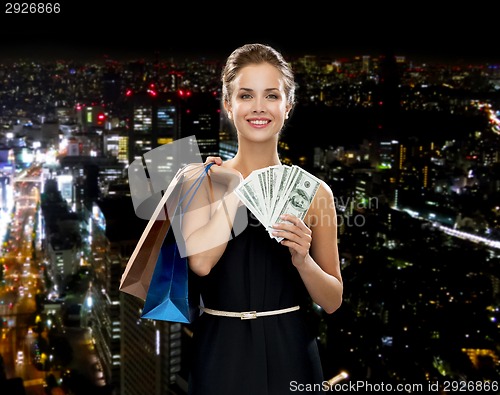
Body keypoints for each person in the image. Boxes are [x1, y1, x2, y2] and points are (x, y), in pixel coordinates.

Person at [181, 43, 343, 395]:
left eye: (271, 95)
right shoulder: (199, 180)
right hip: (220, 351)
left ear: (288, 105)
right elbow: (201, 264)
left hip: (294, 351)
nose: (258, 107)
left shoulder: (316, 193)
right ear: (228, 104)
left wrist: (303, 260)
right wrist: (235, 189)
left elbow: (332, 299)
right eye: (245, 95)